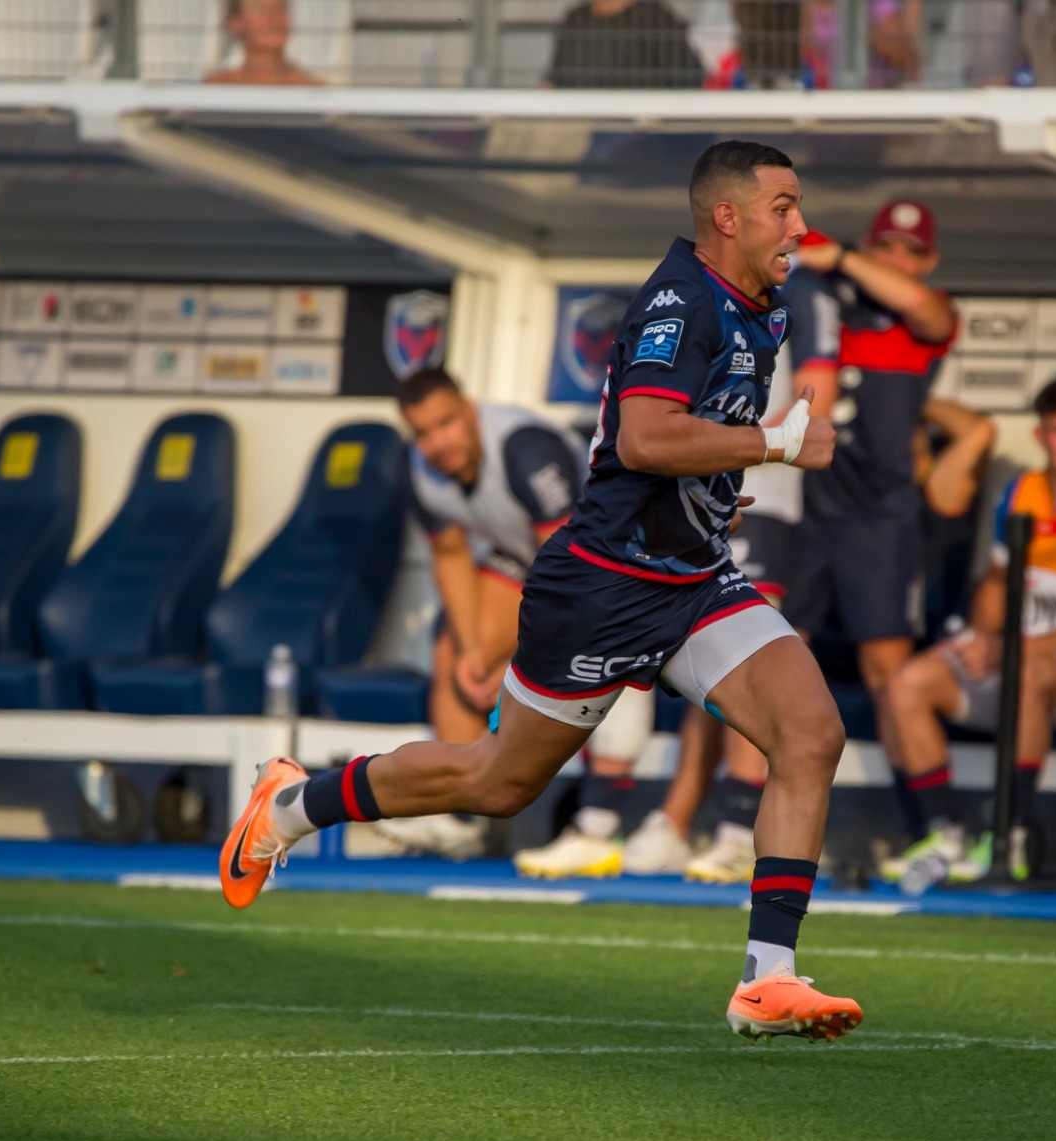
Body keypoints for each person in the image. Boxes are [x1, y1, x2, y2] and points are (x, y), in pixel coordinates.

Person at [219, 141, 862, 1043]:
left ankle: (768, 979)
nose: (800, 225)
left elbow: (676, 442)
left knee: (811, 732)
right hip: (602, 587)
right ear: (729, 217)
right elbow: (644, 440)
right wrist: (774, 446)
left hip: (694, 575)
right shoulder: (680, 306)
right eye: (785, 206)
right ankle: (292, 804)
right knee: (496, 783)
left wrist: (717, 481)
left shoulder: (761, 305)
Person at [621, 230, 844, 882]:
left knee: (753, 666)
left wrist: (730, 448)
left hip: (766, 501)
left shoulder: (804, 292)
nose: (788, 229)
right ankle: (679, 819)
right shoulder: (693, 294)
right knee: (708, 669)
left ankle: (736, 825)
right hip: (707, 500)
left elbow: (814, 415)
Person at [881, 377, 1056, 884]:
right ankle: (945, 835)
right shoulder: (1022, 493)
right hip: (1014, 654)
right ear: (1041, 435)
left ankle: (1012, 830)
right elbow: (998, 580)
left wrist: (1006, 649)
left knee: (1027, 672)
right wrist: (984, 640)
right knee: (906, 681)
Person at [375, 368, 653, 866]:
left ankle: (598, 825)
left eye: (446, 424)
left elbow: (572, 567)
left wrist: (525, 658)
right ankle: (461, 818)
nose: (437, 444)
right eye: (422, 432)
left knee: (602, 641)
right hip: (532, 555)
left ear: (469, 410)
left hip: (616, 558)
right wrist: (476, 651)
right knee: (456, 651)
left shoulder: (524, 447)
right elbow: (452, 554)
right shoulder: (418, 470)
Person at [784, 199, 958, 811]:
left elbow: (923, 309)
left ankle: (933, 827)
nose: (896, 259)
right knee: (767, 659)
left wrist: (846, 258)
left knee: (889, 675)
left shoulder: (929, 314)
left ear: (927, 261)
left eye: (910, 252)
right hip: (810, 507)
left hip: (880, 519)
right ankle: (740, 825)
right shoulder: (830, 298)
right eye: (886, 246)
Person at [546, 0, 707, 88]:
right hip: (580, 123)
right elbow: (553, 80)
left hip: (640, 129)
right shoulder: (575, 19)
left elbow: (689, 79)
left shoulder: (656, 17)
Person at [205, 0, 321, 86]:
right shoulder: (217, 86)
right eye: (258, 8)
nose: (273, 17)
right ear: (235, 24)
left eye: (280, 7)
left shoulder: (312, 88)